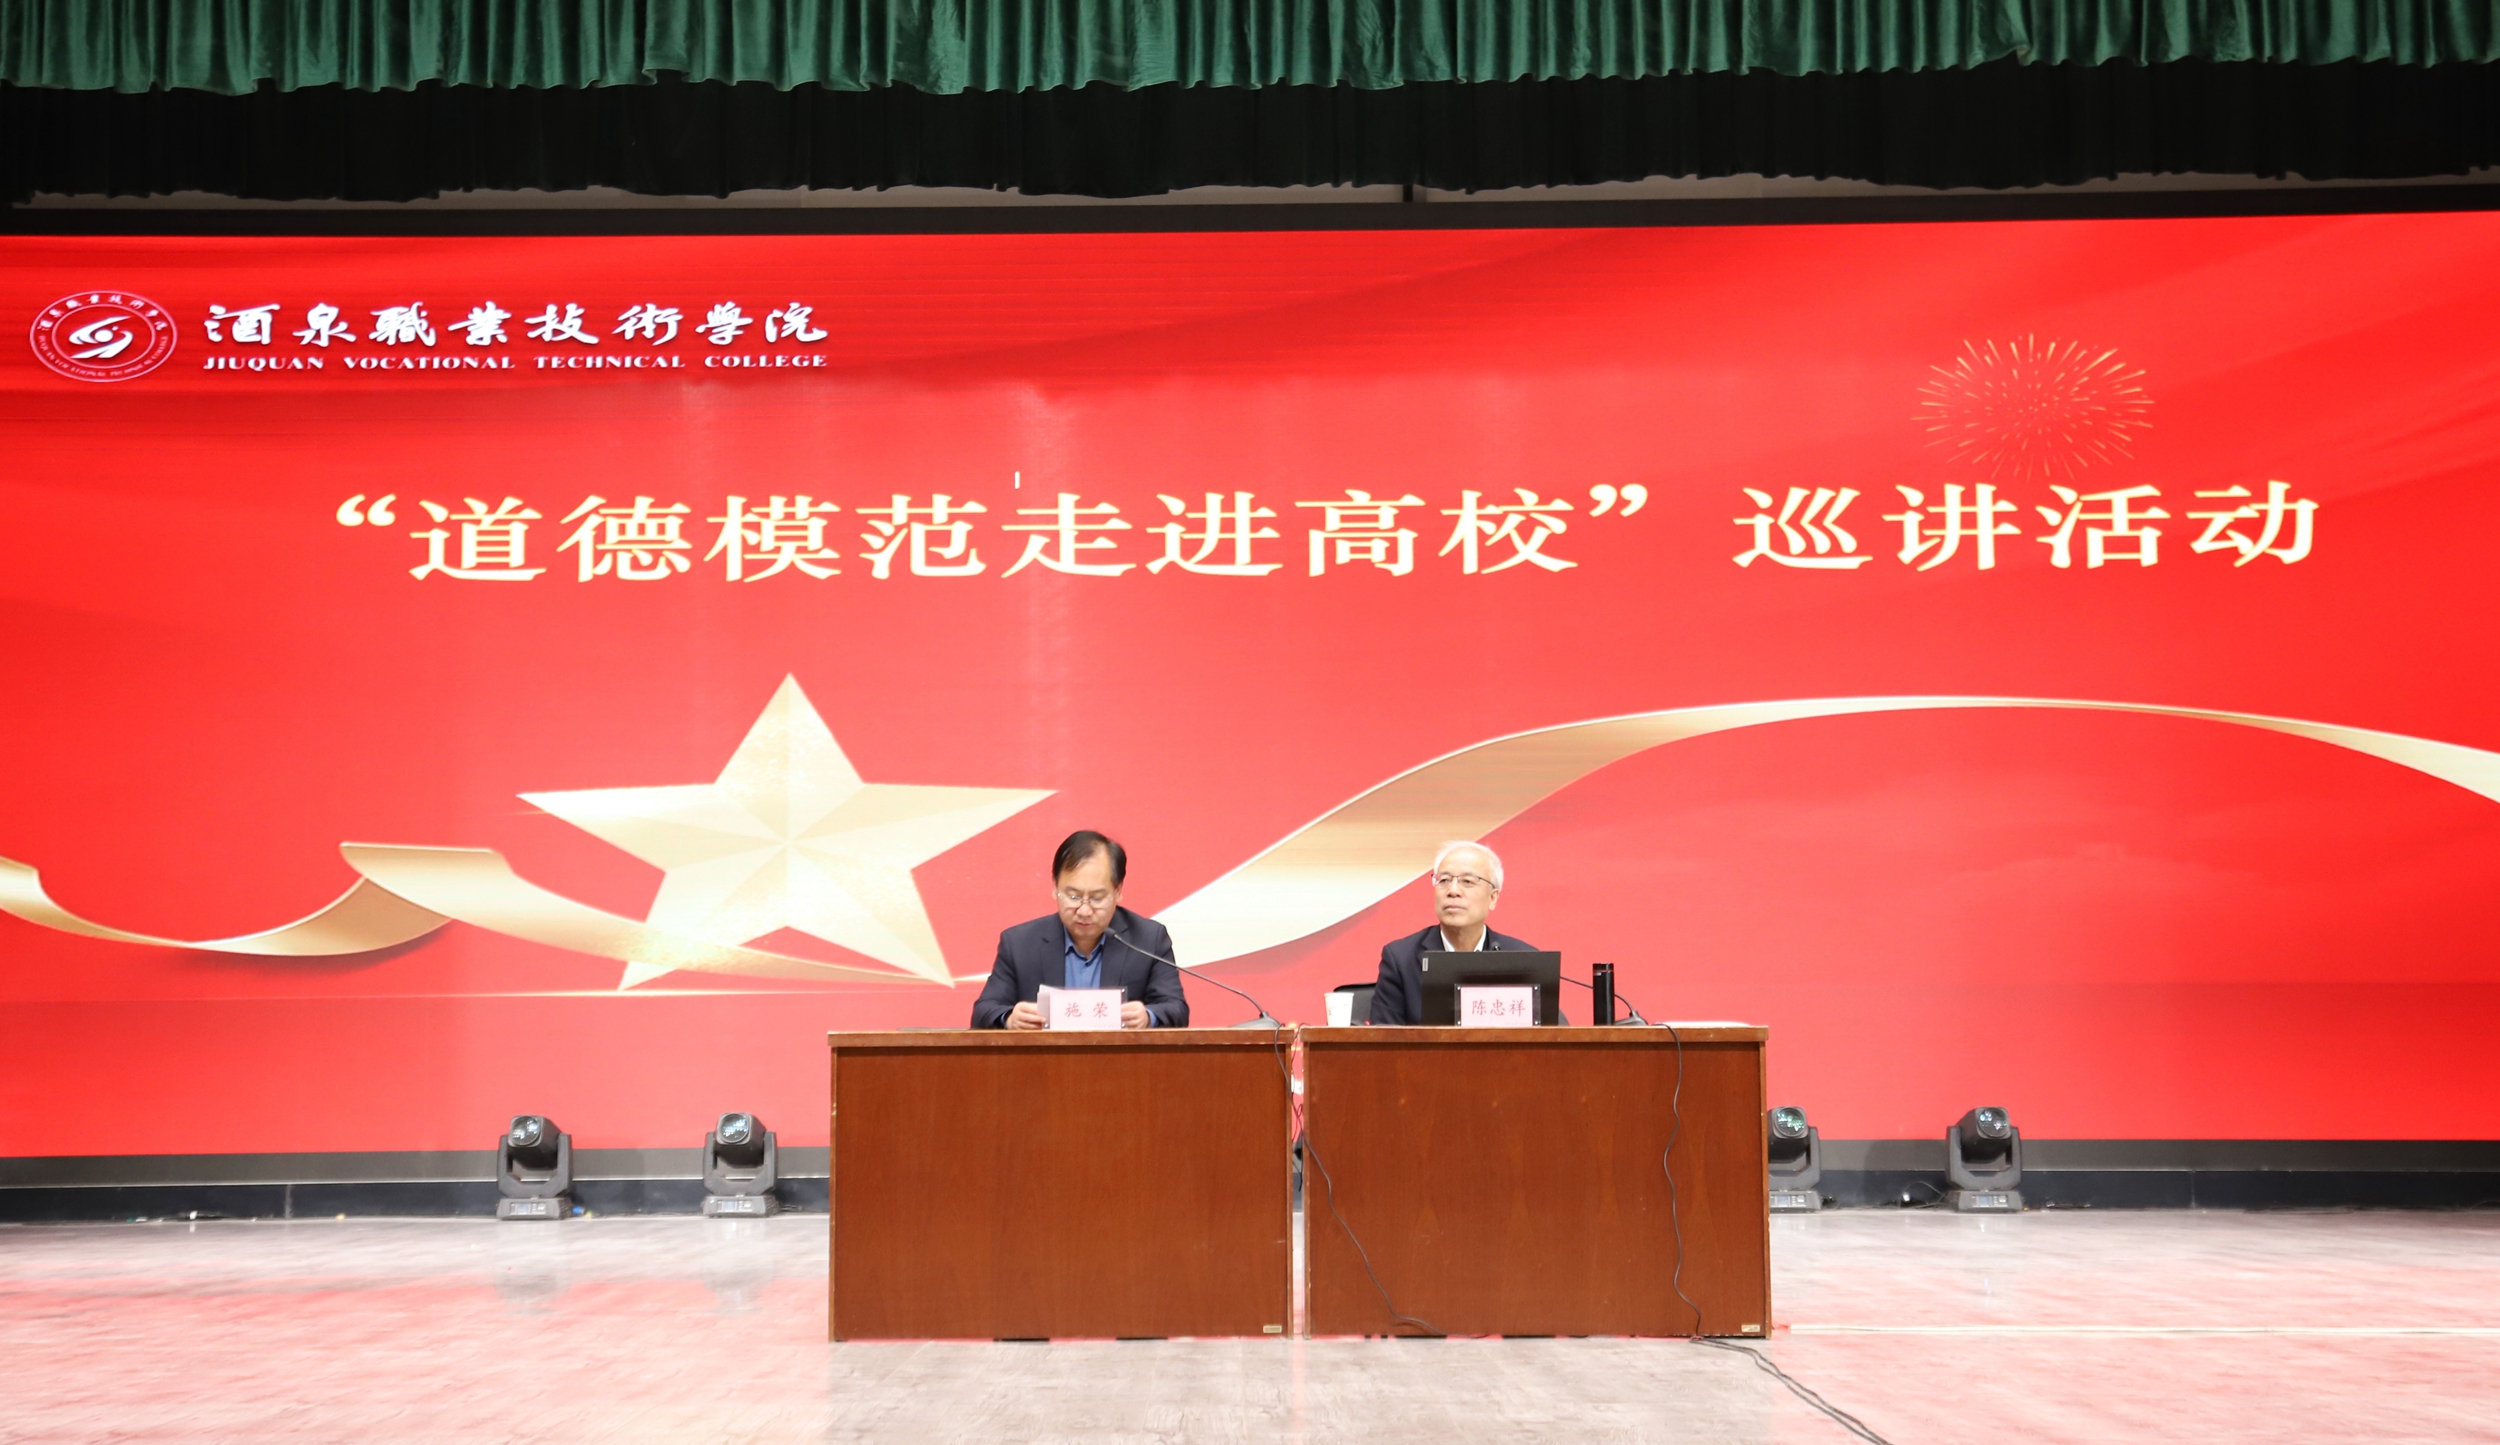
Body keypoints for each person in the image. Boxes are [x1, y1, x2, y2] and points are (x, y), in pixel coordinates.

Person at [971, 830, 1190, 1030]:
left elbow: (1176, 1008)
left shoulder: (1148, 940)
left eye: (1097, 898)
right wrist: (1009, 1018)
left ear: (1118, 891)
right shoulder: (1019, 944)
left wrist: (1148, 1017)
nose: (1084, 910)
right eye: (1073, 896)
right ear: (1055, 887)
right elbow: (984, 1011)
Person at [1367, 841, 1537, 1025]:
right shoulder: (1401, 959)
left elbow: (1550, 1033)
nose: (1453, 891)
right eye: (1444, 880)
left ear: (1492, 897)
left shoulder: (1524, 961)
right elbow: (1384, 1037)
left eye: (1468, 881)